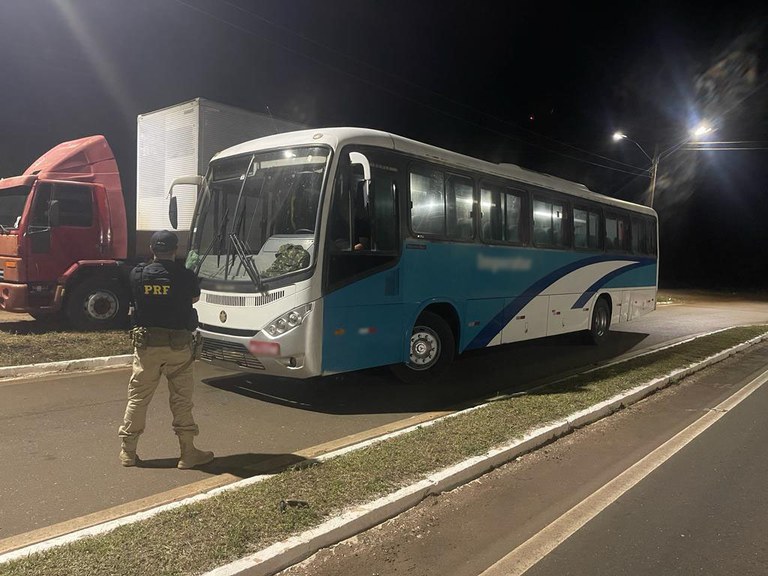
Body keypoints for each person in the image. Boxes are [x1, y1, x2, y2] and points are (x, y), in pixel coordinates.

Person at [118, 230, 214, 469]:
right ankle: (187, 453)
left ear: (152, 249)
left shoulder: (137, 274)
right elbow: (193, 300)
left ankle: (128, 452)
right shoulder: (186, 276)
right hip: (178, 348)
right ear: (175, 250)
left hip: (147, 347)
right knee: (181, 400)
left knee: (138, 399)